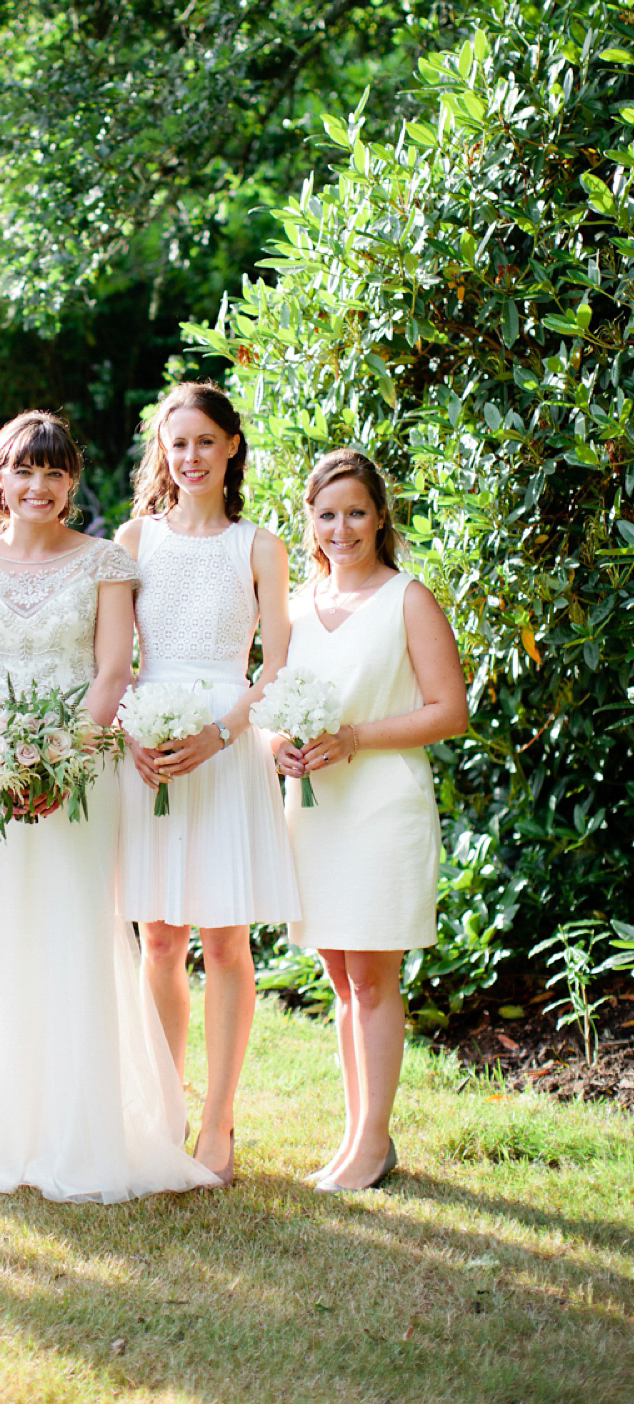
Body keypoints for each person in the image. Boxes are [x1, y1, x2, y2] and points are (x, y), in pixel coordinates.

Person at [0, 410, 215, 1202]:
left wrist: (64, 755)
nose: (37, 486)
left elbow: (112, 671)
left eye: (54, 472)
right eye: (22, 471)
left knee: (76, 933)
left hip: (81, 772)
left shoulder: (105, 562)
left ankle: (80, 1134)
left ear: (72, 482)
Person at [116, 382, 299, 1184]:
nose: (188, 457)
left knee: (223, 939)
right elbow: (109, 658)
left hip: (226, 748)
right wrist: (133, 729)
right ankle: (165, 1107)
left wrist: (222, 734)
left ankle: (219, 1120)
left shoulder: (258, 545)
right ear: (163, 451)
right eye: (175, 442)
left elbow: (280, 669)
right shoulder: (134, 538)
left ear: (231, 447)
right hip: (150, 748)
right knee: (157, 936)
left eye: (203, 441)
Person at [274, 448, 468, 1193]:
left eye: (356, 512)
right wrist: (280, 748)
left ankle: (371, 1143)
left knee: (375, 977)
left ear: (380, 515)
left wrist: (354, 737)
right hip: (315, 811)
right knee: (340, 979)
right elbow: (272, 707)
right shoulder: (294, 606)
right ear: (310, 521)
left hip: (383, 805)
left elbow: (449, 711)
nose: (342, 528)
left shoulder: (407, 598)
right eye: (327, 515)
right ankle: (358, 1139)